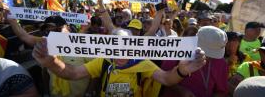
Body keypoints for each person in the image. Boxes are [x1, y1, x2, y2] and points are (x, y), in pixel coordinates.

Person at [32, 28, 206, 97]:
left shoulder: (143, 63)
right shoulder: (103, 61)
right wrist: (51, 62)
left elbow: (167, 79)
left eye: (125, 45)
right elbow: (72, 73)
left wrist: (181, 70)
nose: (120, 50)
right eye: (115, 45)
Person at [6, 15, 91, 97]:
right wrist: (12, 21)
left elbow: (95, 72)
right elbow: (24, 36)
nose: (52, 34)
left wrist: (90, 92)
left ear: (67, 27)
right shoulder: (45, 43)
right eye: (48, 31)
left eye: (56, 30)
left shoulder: (82, 43)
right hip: (55, 94)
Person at [161, 26, 229, 97]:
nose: (209, 57)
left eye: (213, 53)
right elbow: (162, 77)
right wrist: (180, 90)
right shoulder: (178, 52)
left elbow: (221, 91)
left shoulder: (221, 63)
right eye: (208, 52)